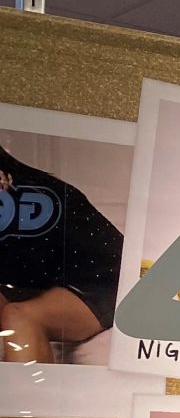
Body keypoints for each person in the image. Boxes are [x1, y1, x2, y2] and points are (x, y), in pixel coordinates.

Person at [0, 146, 123, 365]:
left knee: (19, 316)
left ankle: (29, 389)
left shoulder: (39, 194)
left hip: (107, 282)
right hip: (50, 278)